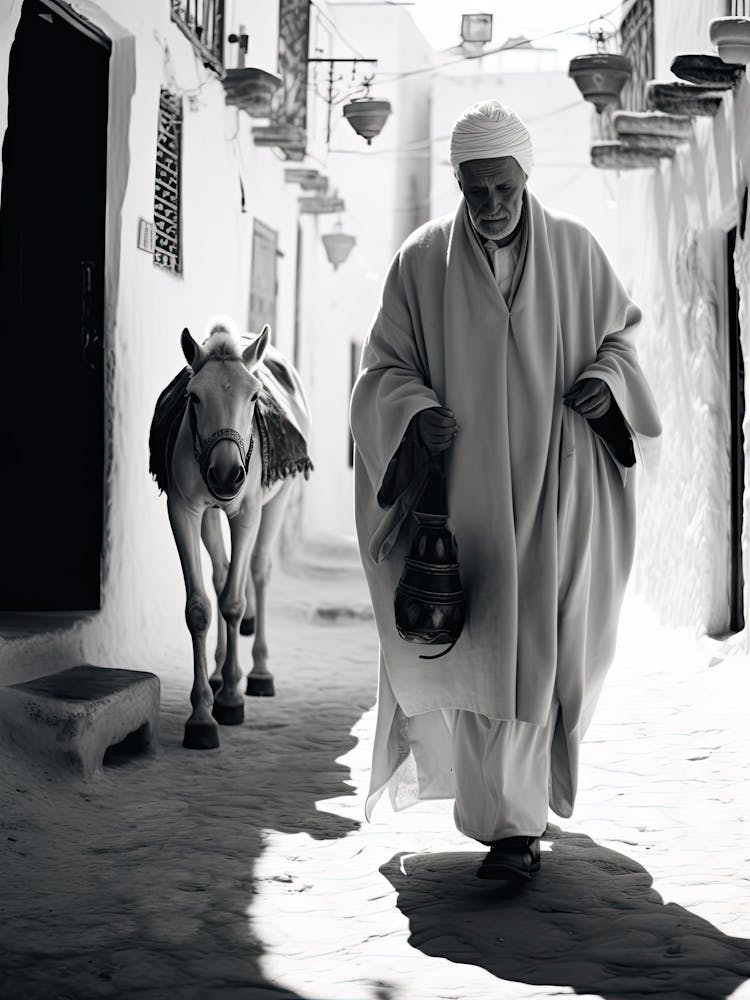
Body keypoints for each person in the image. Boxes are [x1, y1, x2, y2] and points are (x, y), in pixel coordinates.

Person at [349, 100, 662, 881]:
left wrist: (605, 383)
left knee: (555, 655)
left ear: (527, 179)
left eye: (505, 190)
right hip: (467, 506)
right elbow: (382, 372)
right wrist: (413, 414)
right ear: (458, 183)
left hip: (560, 497)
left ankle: (522, 806)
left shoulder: (578, 254)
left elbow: (623, 340)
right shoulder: (421, 263)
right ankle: (509, 830)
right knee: (487, 652)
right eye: (476, 189)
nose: (491, 205)